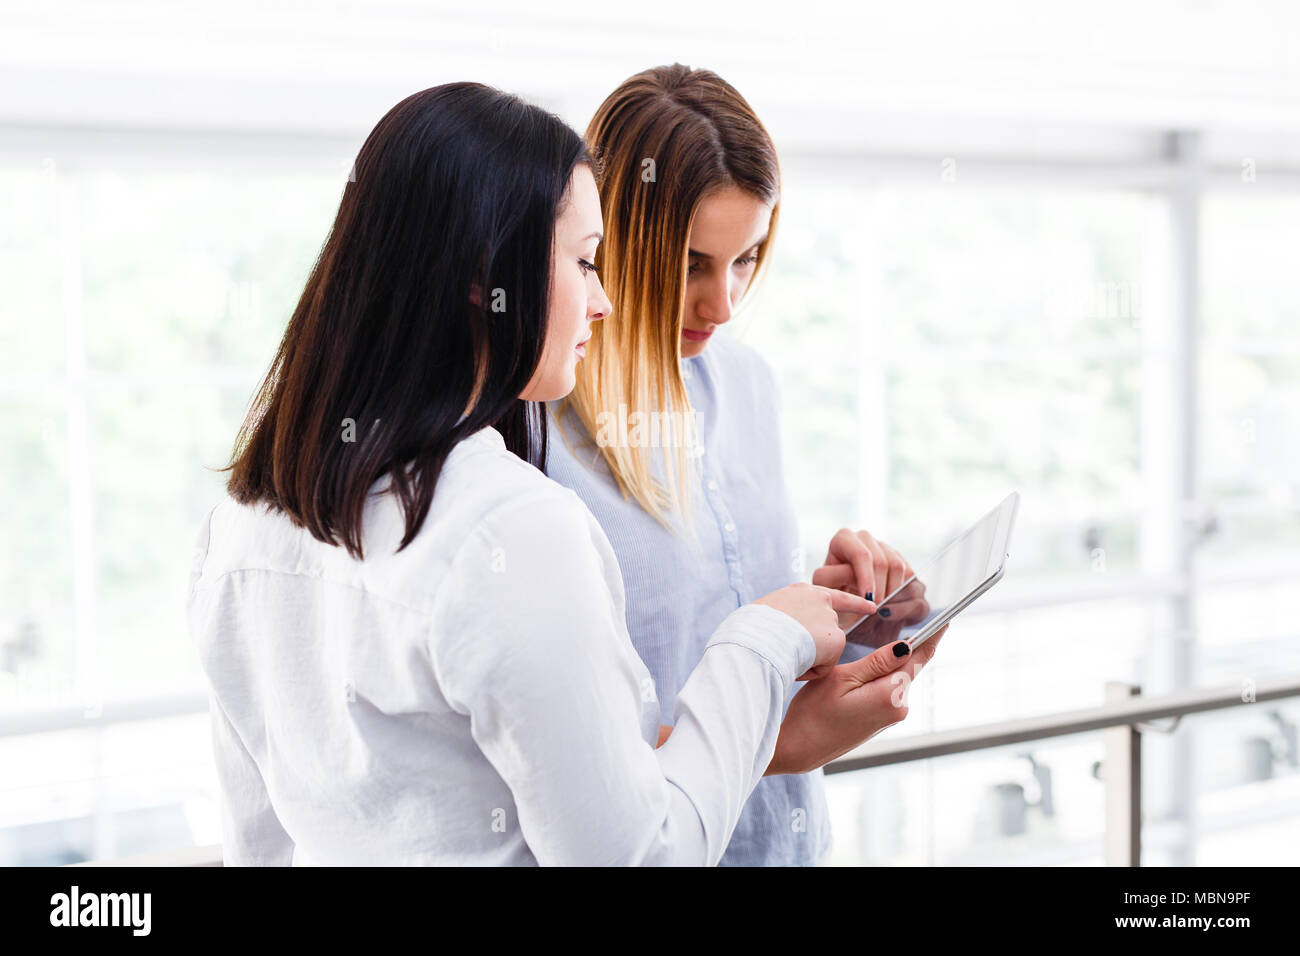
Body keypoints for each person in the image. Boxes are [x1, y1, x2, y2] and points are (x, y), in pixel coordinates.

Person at [186, 81, 904, 866]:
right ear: (485, 274)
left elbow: (255, 843)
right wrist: (764, 642)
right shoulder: (511, 522)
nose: (602, 300)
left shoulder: (241, 520)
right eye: (585, 262)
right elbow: (637, 857)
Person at [546, 64, 946, 865]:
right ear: (604, 239)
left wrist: (852, 614)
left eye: (746, 259)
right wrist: (776, 745)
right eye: (693, 263)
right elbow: (566, 744)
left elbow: (735, 627)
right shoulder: (535, 432)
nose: (723, 305)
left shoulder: (747, 384)